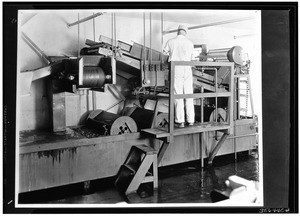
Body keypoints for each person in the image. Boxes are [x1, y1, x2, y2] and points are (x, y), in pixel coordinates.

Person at [163, 25, 195, 128]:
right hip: (187, 68)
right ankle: (191, 120)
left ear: (178, 31)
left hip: (176, 68)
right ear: (185, 32)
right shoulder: (190, 43)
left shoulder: (171, 41)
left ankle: (180, 121)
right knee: (189, 94)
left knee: (178, 95)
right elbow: (192, 58)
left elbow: (164, 53)